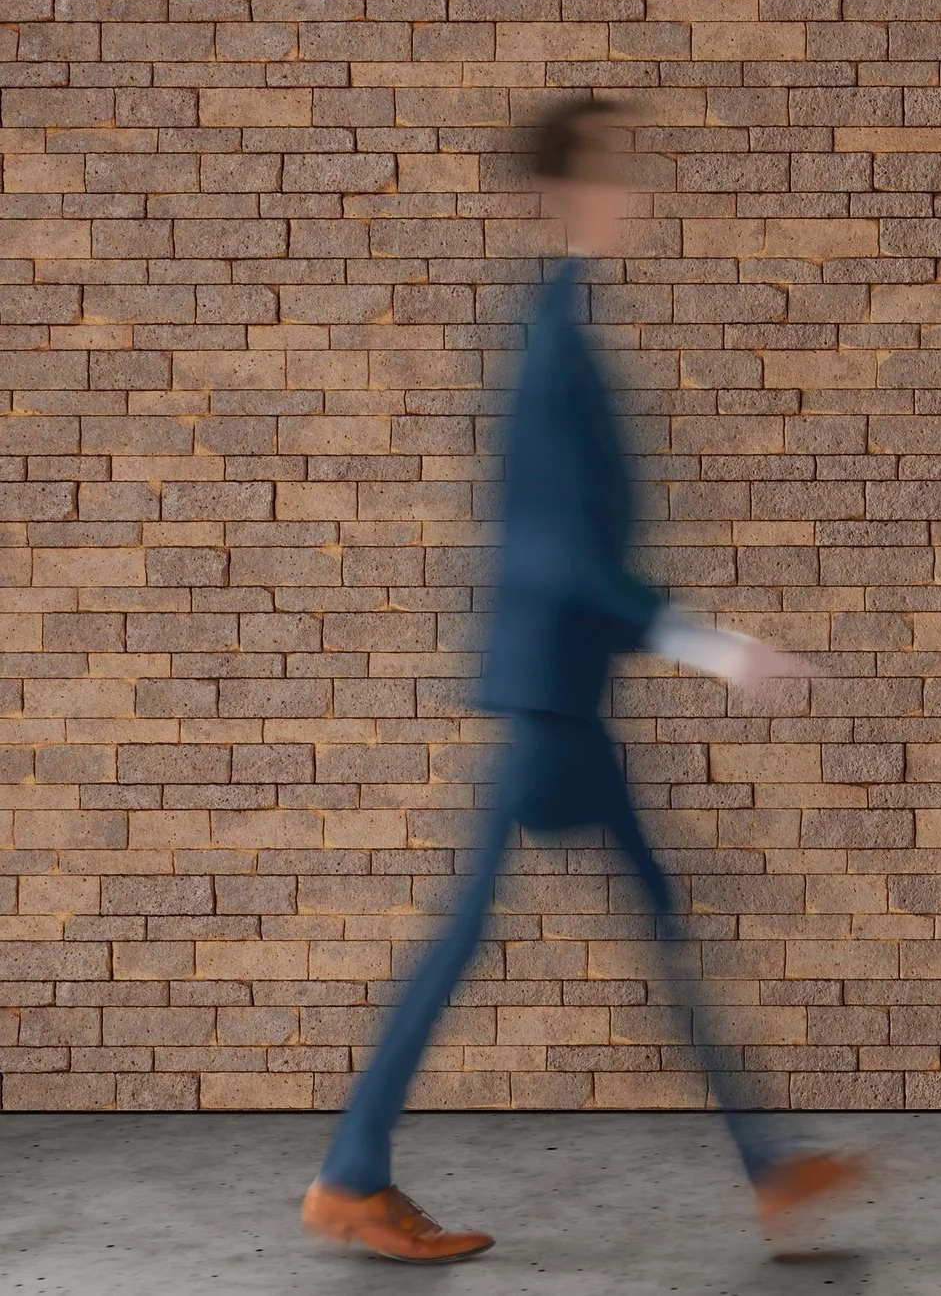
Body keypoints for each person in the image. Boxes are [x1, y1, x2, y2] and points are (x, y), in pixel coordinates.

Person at [301, 99, 862, 1264]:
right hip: (551, 699)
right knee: (481, 934)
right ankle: (351, 1176)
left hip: (561, 695)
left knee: (630, 914)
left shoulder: (563, 324)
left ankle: (772, 1169)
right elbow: (560, 553)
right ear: (560, 191)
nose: (629, 189)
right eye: (610, 169)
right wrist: (713, 647)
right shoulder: (555, 344)